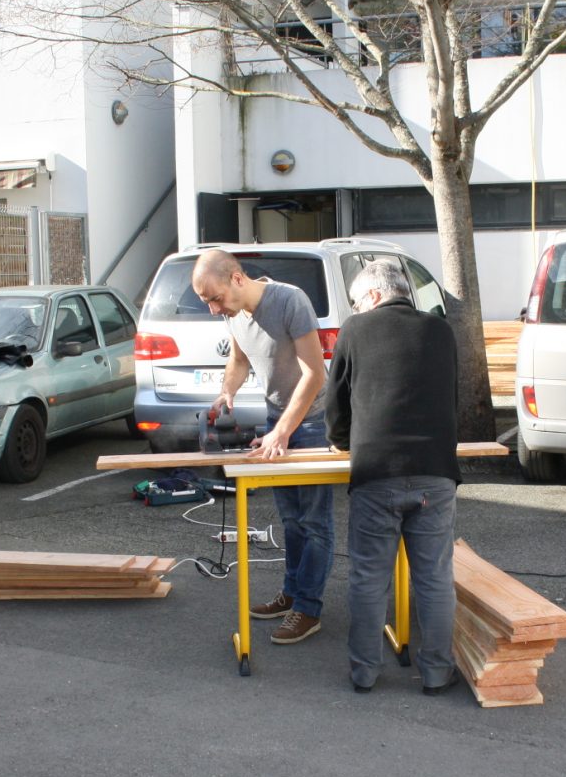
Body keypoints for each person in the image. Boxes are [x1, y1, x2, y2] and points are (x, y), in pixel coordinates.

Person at [325, 259, 463, 694]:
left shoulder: (355, 330)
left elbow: (336, 405)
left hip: (376, 471)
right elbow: (451, 398)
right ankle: (437, 672)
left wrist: (344, 441)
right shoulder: (440, 330)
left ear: (373, 295)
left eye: (356, 303)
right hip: (435, 471)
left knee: (369, 577)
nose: (356, 310)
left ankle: (364, 673)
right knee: (434, 577)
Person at [192, 248, 333, 645]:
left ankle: (308, 608)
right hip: (277, 422)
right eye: (207, 302)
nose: (213, 309)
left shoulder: (290, 301)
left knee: (315, 522)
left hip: (312, 423)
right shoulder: (234, 313)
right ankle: (292, 593)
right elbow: (239, 360)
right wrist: (227, 392)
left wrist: (283, 431)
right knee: (291, 520)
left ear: (237, 278)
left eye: (215, 298)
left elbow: (315, 374)